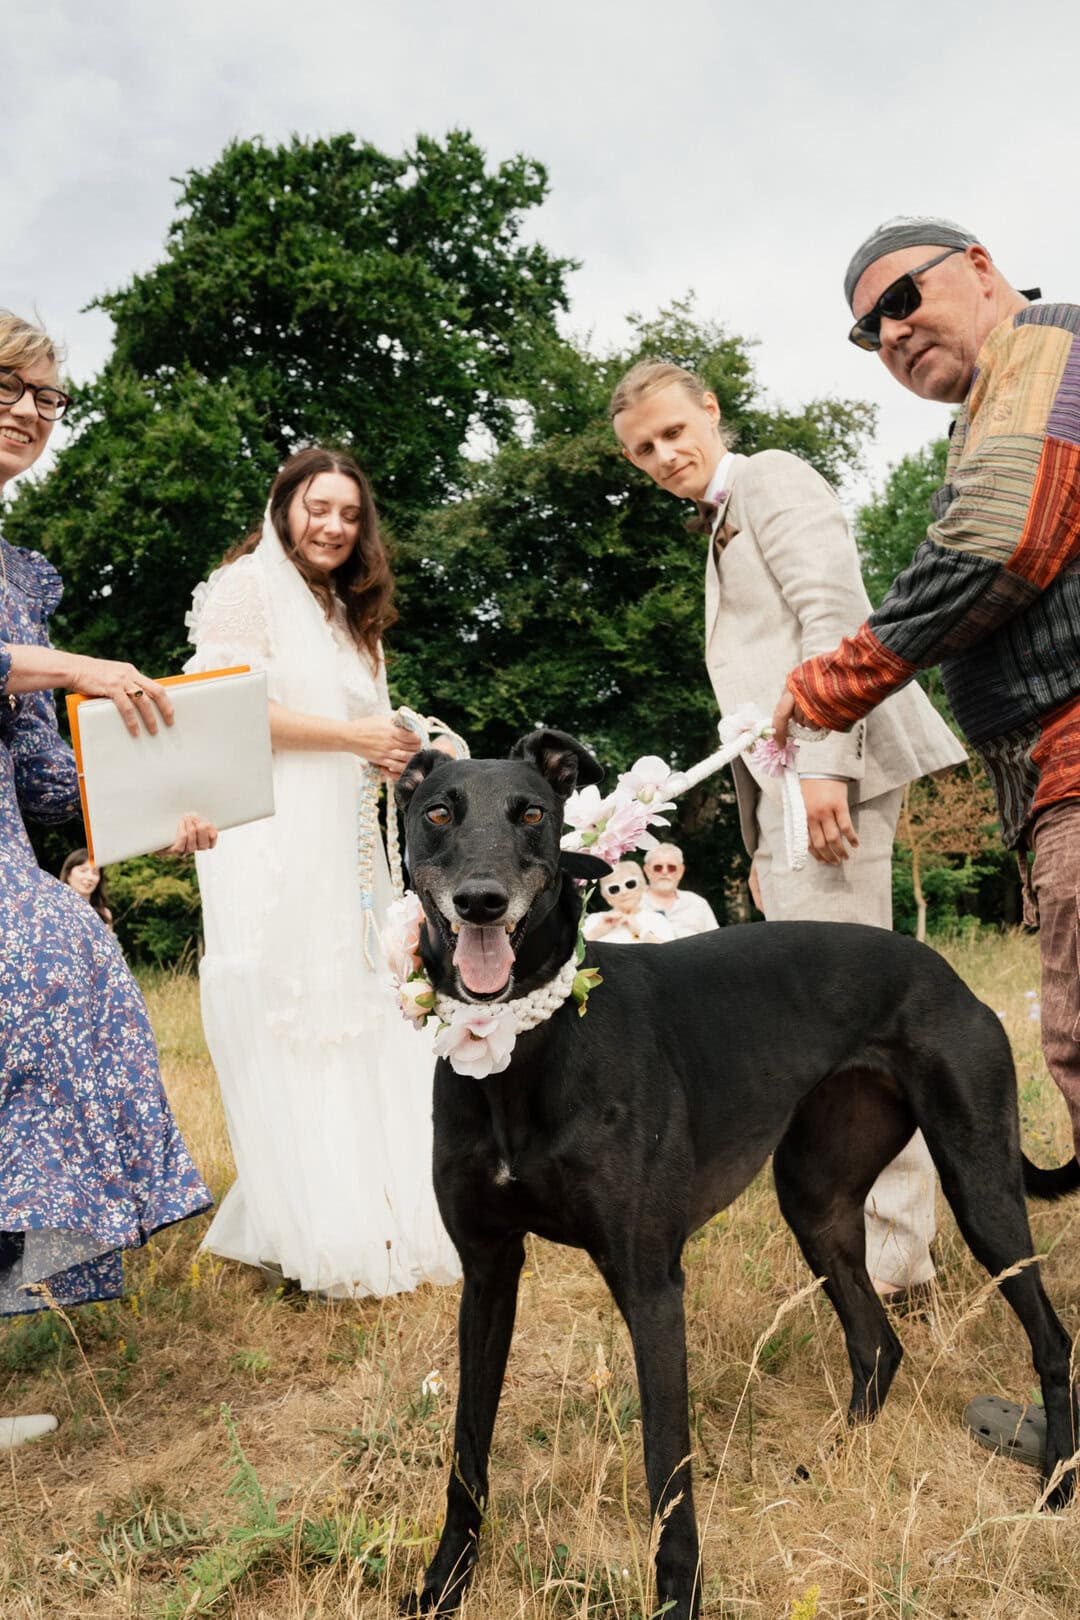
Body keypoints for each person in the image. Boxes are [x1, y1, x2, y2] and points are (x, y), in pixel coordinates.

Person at [772, 214, 1080, 1463]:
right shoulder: (1000, 400)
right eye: (867, 329)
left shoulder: (1046, 349)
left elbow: (998, 542)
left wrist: (832, 682)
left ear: (986, 272)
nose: (891, 331)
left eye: (904, 296)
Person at [611, 359, 966, 1302]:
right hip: (788, 796)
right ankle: (870, 1248)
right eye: (644, 450)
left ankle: (898, 1265)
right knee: (819, 1023)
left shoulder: (771, 478)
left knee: (863, 1021)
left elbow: (834, 620)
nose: (664, 456)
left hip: (831, 771)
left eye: (674, 433)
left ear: (711, 411)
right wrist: (766, 842)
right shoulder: (718, 525)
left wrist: (821, 769)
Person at [0, 311, 214, 1449]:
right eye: (11, 385)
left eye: (49, 396)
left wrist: (129, 828)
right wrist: (82, 665)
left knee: (62, 947)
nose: (33, 410)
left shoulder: (17, 578)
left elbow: (45, 776)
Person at [185, 446, 461, 1298]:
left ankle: (380, 1211)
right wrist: (352, 739)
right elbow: (225, 709)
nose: (334, 526)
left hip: (348, 838)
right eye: (318, 507)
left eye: (349, 513)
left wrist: (399, 746)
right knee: (301, 1011)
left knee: (370, 1000)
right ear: (283, 506)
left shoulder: (345, 611)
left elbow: (361, 720)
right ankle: (316, 1229)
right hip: (272, 837)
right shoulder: (245, 589)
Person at [583, 859, 677, 944]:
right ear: (607, 897)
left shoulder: (657, 920)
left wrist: (641, 931)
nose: (624, 892)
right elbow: (573, 958)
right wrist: (596, 933)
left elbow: (672, 955)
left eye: (630, 884)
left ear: (641, 887)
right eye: (614, 889)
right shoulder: (593, 920)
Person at [641, 842, 718, 937]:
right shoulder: (631, 902)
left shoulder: (698, 903)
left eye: (671, 867)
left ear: (680, 871)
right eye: (658, 867)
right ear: (647, 871)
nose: (665, 872)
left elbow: (715, 941)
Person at [59, 846, 113, 928]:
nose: (90, 877)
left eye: (95, 872)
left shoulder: (105, 914)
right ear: (68, 875)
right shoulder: (56, 909)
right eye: (83, 870)